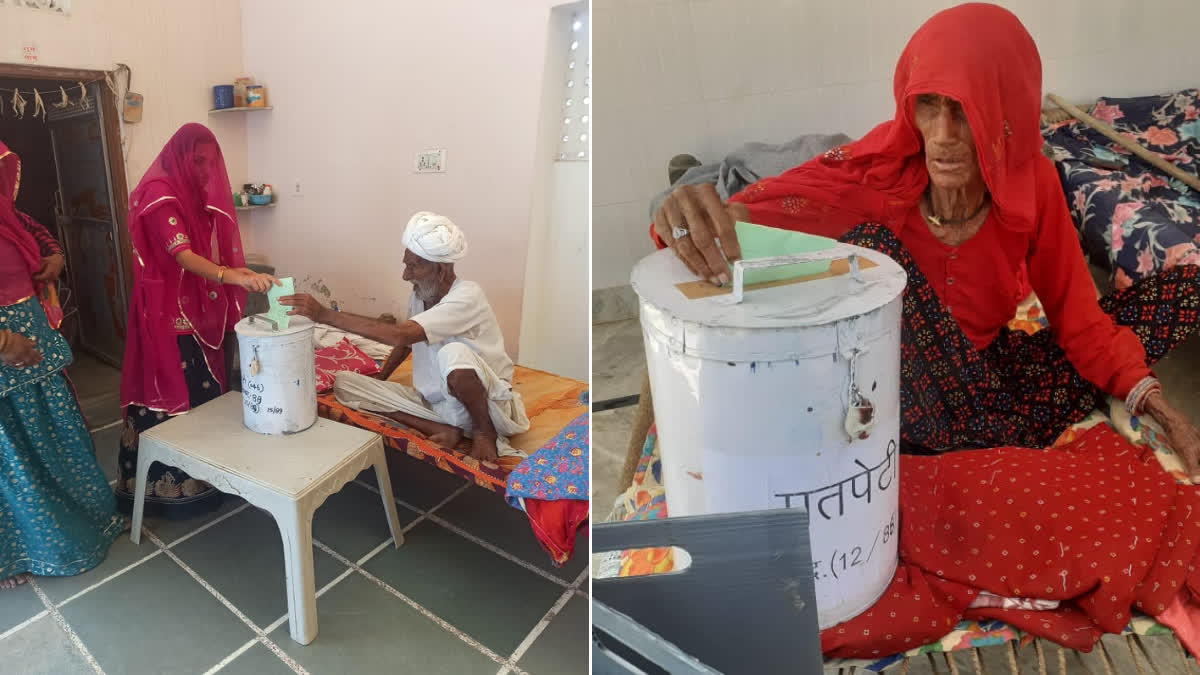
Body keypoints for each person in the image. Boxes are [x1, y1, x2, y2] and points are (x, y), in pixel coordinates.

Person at [649, 3, 1200, 478]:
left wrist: (1154, 403)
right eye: (928, 105)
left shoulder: (1031, 184)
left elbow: (1079, 322)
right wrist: (689, 212)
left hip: (992, 377)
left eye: (964, 110)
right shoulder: (875, 179)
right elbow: (740, 221)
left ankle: (979, 443)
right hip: (894, 395)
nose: (941, 136)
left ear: (1005, 114)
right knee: (875, 250)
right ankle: (961, 455)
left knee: (1183, 289)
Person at [118, 124, 277, 518]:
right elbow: (183, 255)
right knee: (174, 394)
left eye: (212, 162)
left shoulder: (193, 195)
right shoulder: (160, 194)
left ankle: (209, 480)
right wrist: (232, 274)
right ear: (180, 157)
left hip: (196, 303)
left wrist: (232, 274)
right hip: (166, 310)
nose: (206, 170)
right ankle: (167, 493)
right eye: (199, 161)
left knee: (206, 393)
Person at [280, 211, 529, 462]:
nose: (405, 275)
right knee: (346, 383)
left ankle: (483, 433)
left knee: (453, 354)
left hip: (484, 406)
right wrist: (381, 379)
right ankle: (441, 427)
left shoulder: (468, 296)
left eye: (413, 266)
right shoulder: (419, 294)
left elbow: (401, 335)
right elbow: (406, 344)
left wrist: (324, 314)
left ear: (441, 269)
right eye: (406, 265)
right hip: (435, 404)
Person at [0, 141, 121, 589]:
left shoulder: (9, 216)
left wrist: (56, 257)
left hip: (34, 345)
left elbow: (39, 234)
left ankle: (85, 525)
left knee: (57, 440)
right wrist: (3, 342)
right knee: (12, 457)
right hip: (5, 358)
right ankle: (18, 553)